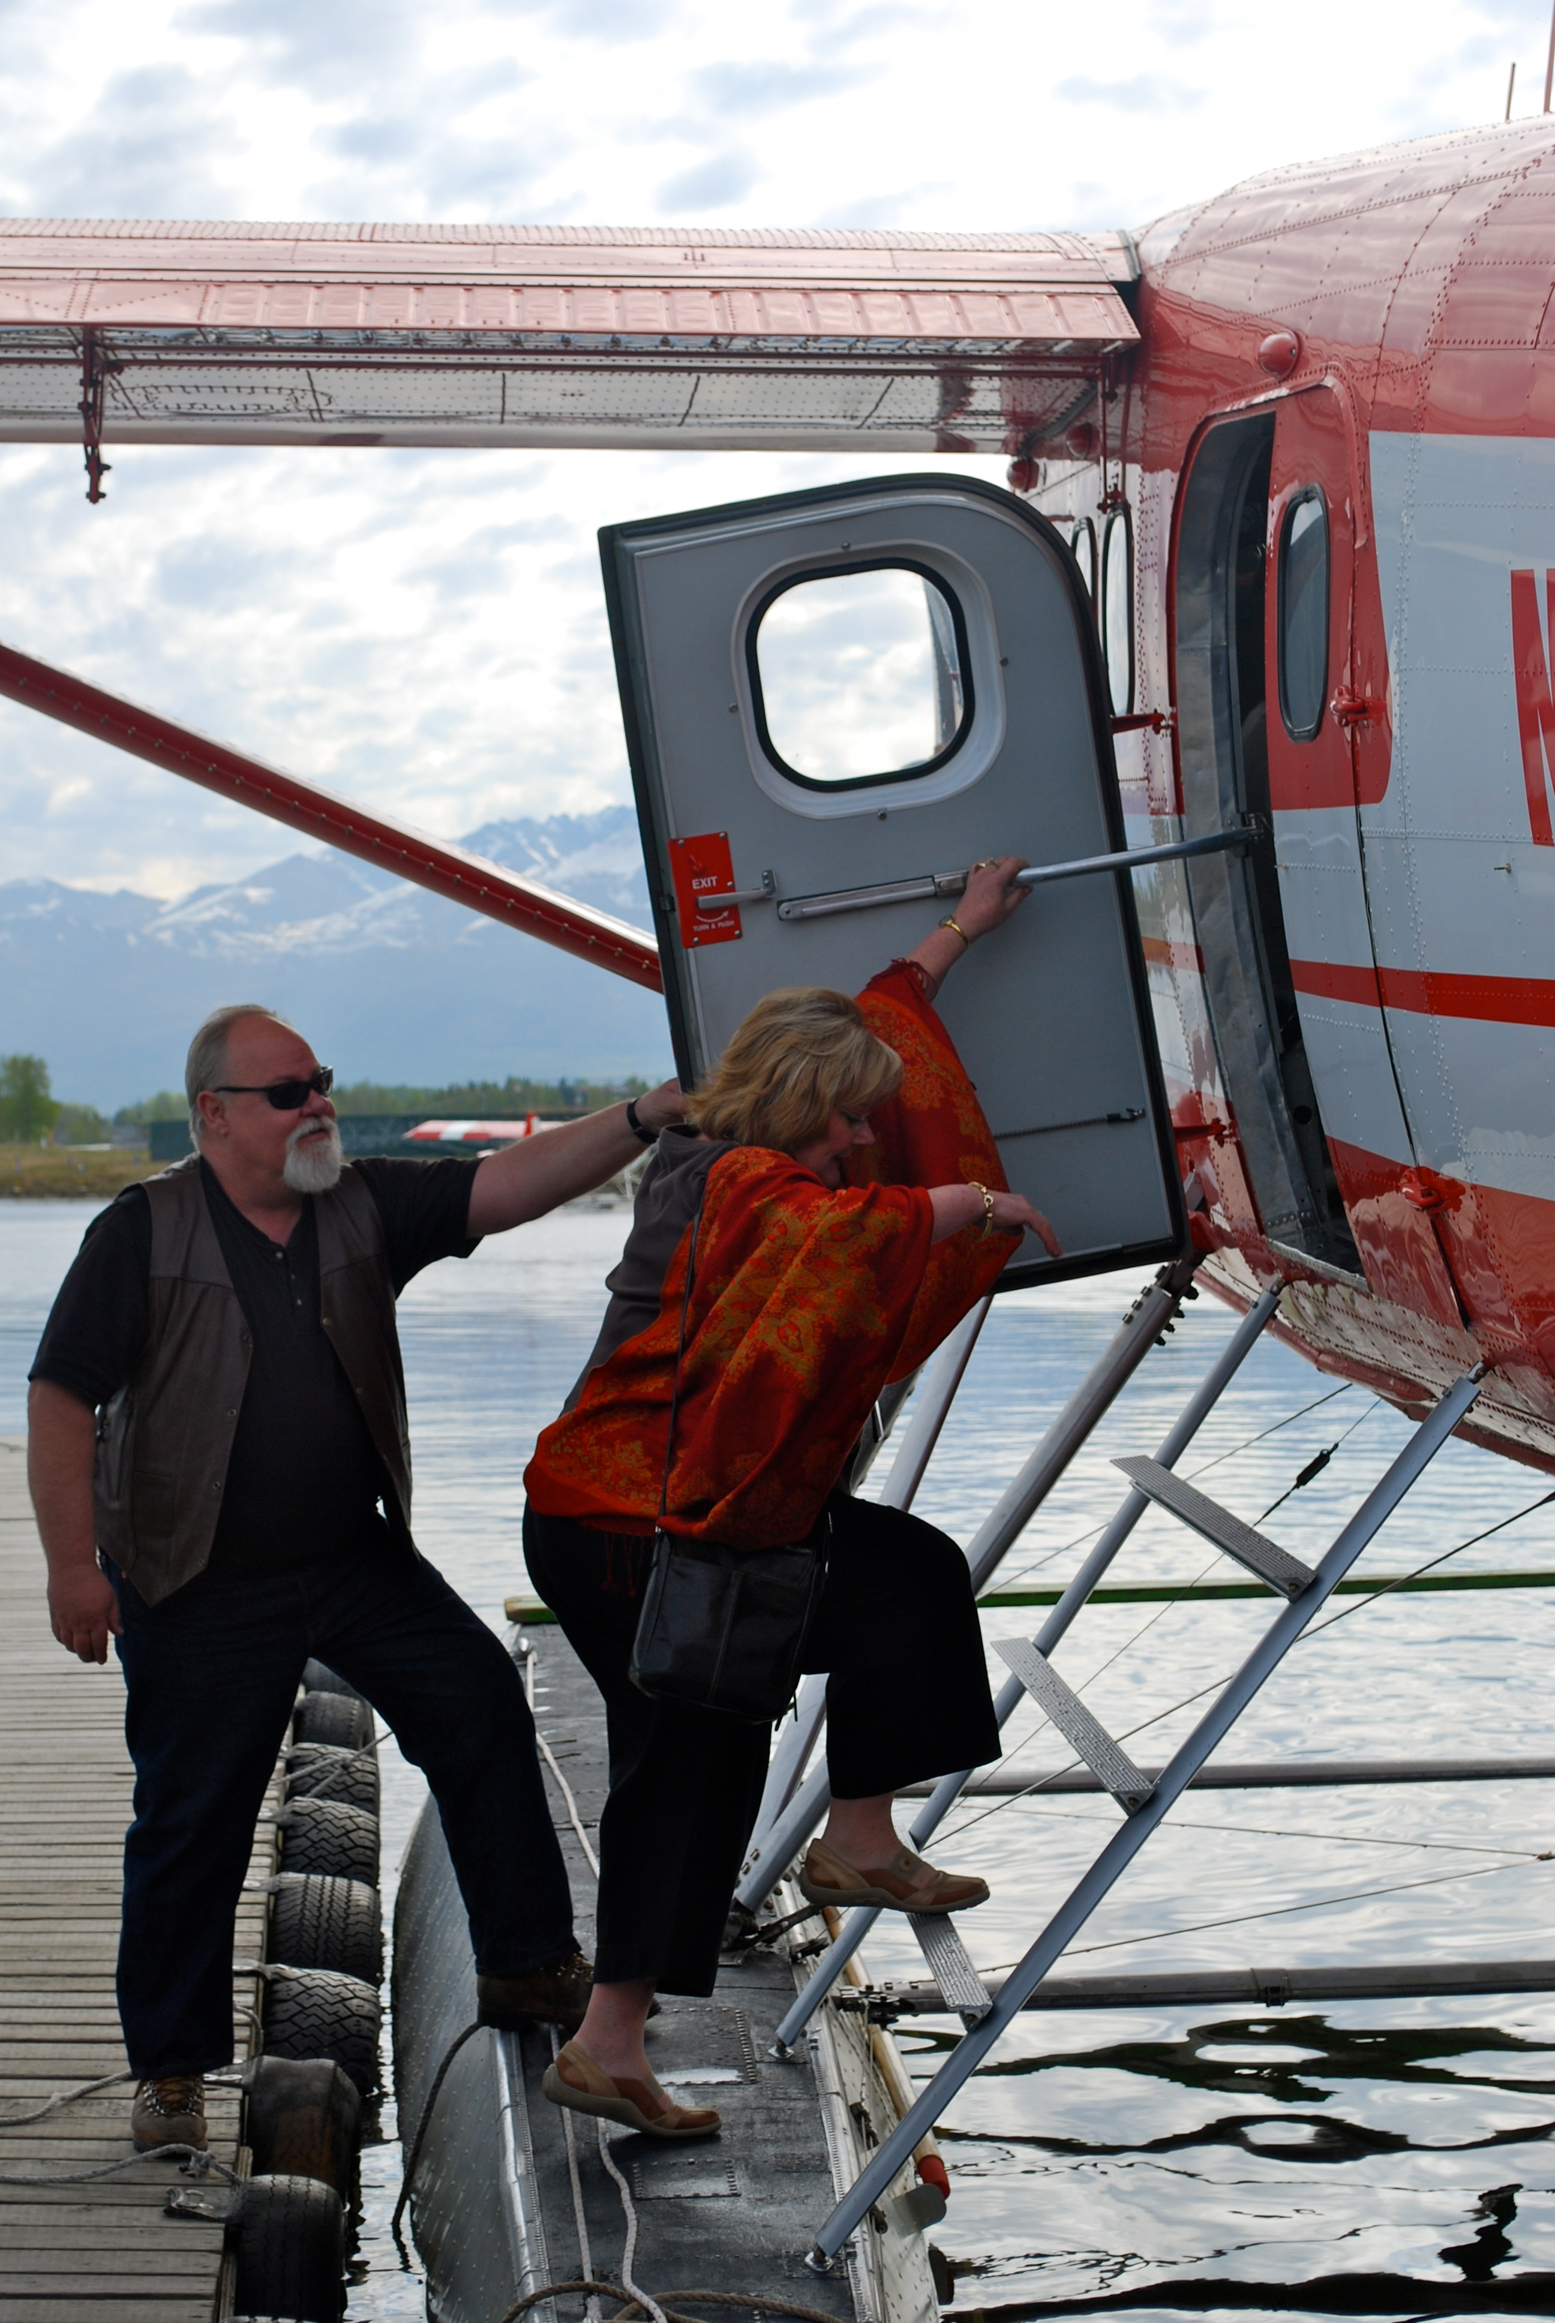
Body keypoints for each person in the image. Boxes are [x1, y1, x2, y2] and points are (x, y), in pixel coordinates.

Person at [26, 1002, 686, 2155]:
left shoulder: (361, 1202)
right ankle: (172, 2073)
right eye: (288, 1091)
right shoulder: (142, 1230)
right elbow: (60, 1398)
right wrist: (71, 1568)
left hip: (351, 1556)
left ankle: (526, 1964)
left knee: (479, 1702)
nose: (317, 1102)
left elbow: (506, 1183)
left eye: (321, 1081)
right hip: (194, 1577)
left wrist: (642, 1116)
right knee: (192, 1820)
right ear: (215, 1115)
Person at [521, 858, 1057, 2141]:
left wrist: (955, 936)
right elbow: (837, 1237)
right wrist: (971, 1200)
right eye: (850, 1123)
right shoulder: (731, 1180)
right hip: (630, 1521)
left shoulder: (737, 1160)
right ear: (800, 1106)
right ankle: (614, 2040)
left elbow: (875, 1018)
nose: (867, 1141)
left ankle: (850, 1840)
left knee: (900, 1580)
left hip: (679, 1511)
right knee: (693, 1758)